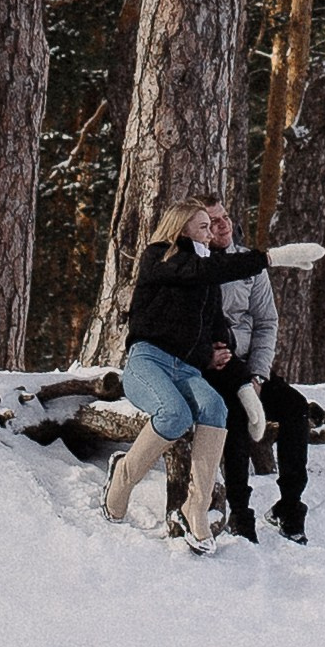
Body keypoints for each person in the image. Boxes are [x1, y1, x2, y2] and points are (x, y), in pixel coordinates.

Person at [105, 200, 267, 554]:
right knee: (174, 414)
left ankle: (196, 506)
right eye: (203, 227)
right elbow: (197, 271)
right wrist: (265, 259)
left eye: (211, 226)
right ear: (182, 230)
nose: (212, 233)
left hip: (187, 369)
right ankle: (124, 478)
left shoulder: (206, 281)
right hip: (148, 361)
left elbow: (220, 332)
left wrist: (238, 377)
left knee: (214, 408)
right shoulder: (160, 257)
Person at [211, 234, 310, 545]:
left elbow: (267, 322)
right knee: (237, 415)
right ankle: (240, 512)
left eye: (224, 216)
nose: (222, 225)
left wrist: (258, 375)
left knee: (296, 407)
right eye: (212, 222)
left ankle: (290, 506)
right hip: (215, 368)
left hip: (251, 366)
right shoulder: (194, 265)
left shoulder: (248, 263)